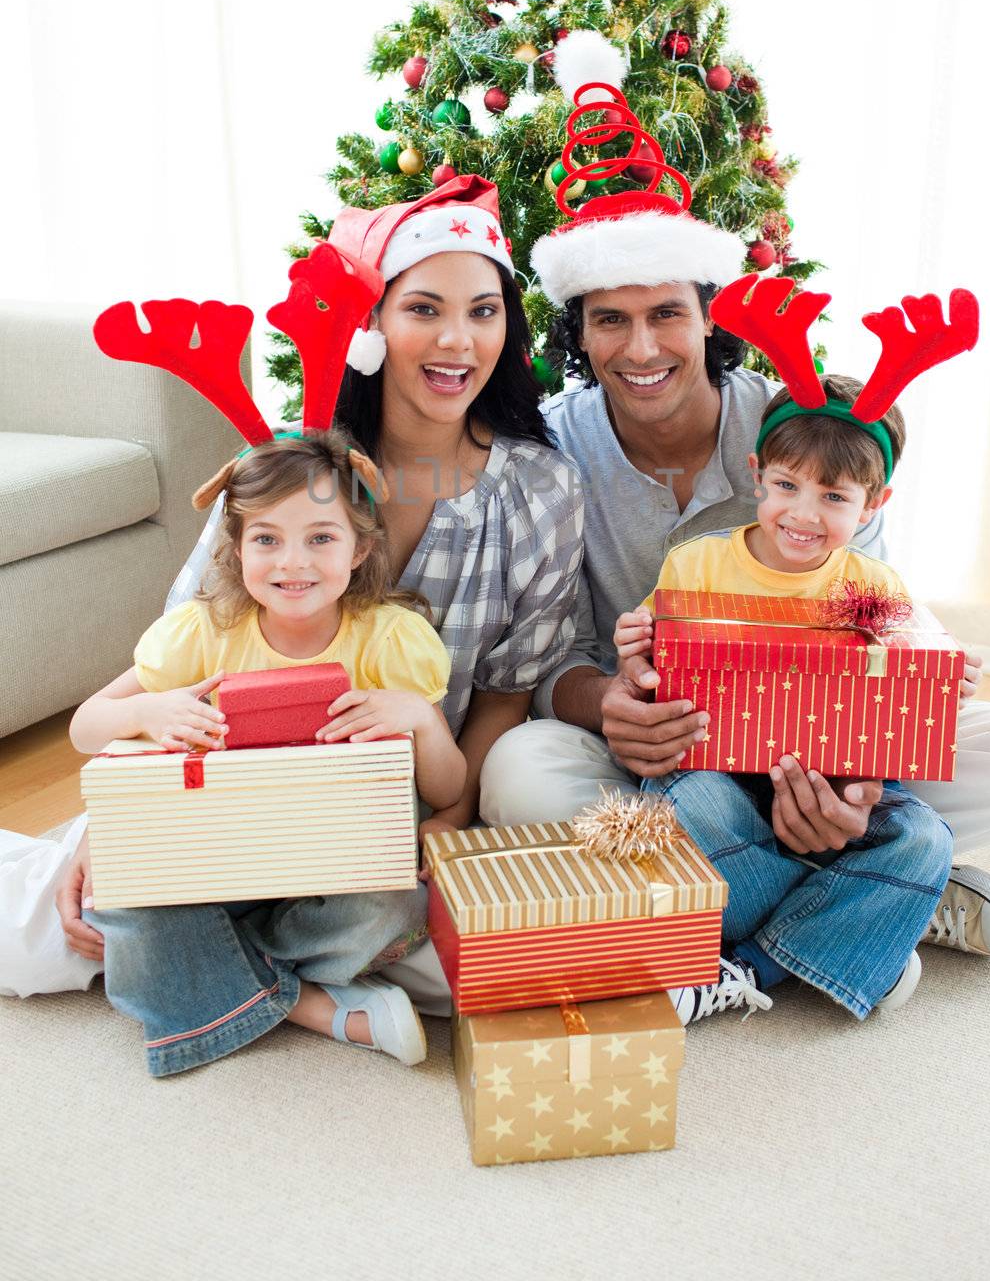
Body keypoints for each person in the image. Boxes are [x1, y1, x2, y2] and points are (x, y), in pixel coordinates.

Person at [480, 31, 990, 974]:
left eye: (666, 311)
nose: (641, 348)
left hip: (818, 739)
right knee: (519, 776)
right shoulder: (547, 450)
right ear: (576, 333)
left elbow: (871, 607)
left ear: (710, 315)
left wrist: (861, 776)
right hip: (668, 760)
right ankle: (881, 891)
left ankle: (813, 859)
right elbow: (546, 657)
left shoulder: (807, 433)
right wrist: (601, 703)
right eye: (609, 320)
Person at [2, 175, 584, 1016]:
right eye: (422, 308)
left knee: (472, 967)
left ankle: (218, 969)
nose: (457, 339)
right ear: (373, 325)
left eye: (483, 311)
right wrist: (113, 826)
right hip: (220, 796)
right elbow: (176, 660)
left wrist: (450, 819)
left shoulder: (544, 490)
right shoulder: (286, 467)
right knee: (44, 937)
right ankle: (296, 989)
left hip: (383, 813)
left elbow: (502, 695)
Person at [72, 429, 462, 1076]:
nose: (292, 563)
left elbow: (447, 791)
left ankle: (214, 977)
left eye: (320, 537)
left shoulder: (392, 639)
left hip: (332, 874)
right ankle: (306, 1003)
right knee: (119, 892)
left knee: (399, 904)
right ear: (235, 546)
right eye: (266, 539)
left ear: (360, 546)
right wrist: (148, 710)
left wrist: (420, 717)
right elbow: (87, 726)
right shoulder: (203, 633)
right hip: (217, 868)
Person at [614, 341, 957, 1021]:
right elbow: (653, 670)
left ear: (872, 504)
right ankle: (855, 922)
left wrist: (941, 669)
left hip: (828, 780)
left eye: (833, 496)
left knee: (925, 840)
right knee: (683, 817)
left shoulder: (867, 586)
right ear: (756, 475)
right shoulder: (698, 565)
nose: (803, 514)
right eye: (786, 486)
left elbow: (899, 685)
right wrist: (634, 654)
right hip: (716, 780)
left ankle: (747, 966)